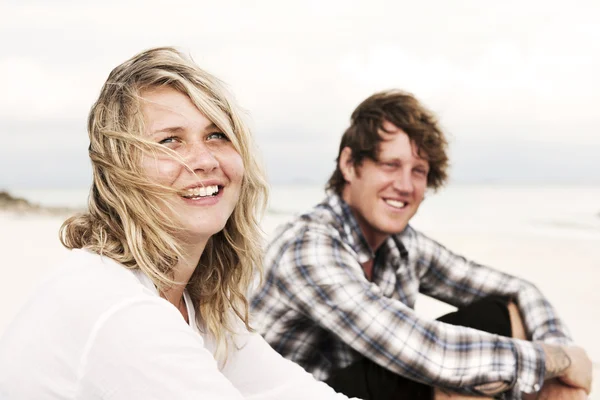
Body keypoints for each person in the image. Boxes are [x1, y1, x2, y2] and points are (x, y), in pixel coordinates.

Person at [0, 47, 357, 400]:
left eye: (216, 134)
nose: (203, 160)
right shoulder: (119, 309)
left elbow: (288, 390)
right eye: (170, 141)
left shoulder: (193, 303)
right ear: (117, 171)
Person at [250, 90, 592, 399]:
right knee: (448, 376)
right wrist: (559, 360)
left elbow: (518, 289)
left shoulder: (400, 244)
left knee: (503, 315)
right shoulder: (309, 248)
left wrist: (562, 358)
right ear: (350, 165)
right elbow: (433, 353)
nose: (405, 185)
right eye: (390, 165)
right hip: (293, 395)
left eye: (419, 171)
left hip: (351, 388)